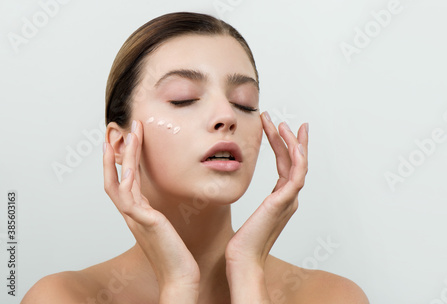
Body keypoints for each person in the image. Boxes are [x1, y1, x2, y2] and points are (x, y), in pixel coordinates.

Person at [21, 12, 369, 303]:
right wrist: (179, 284)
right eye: (183, 98)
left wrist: (248, 272)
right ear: (121, 143)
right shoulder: (63, 297)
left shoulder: (331, 296)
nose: (227, 116)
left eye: (244, 102)